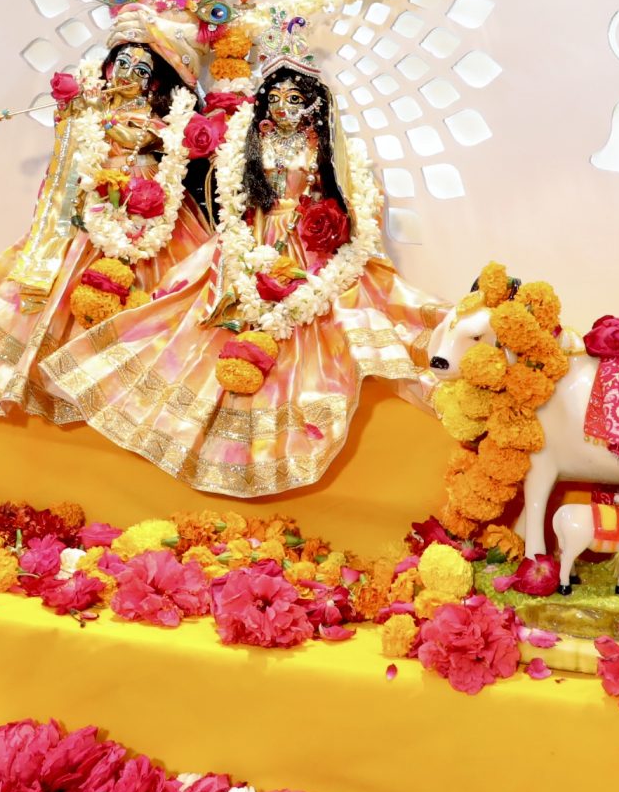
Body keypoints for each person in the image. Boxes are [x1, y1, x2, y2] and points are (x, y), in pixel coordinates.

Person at [40, 47, 442, 495]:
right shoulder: (255, 141)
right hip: (250, 238)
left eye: (295, 100)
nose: (283, 108)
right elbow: (243, 203)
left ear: (313, 104)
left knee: (322, 318)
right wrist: (245, 245)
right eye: (276, 99)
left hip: (307, 243)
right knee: (200, 316)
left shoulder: (323, 148)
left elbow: (345, 200)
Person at [0, 0, 217, 420]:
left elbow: (158, 141)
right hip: (93, 201)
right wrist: (76, 113)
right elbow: (77, 146)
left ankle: (123, 377)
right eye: (122, 64)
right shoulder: (97, 108)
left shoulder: (158, 119)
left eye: (141, 71)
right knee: (69, 278)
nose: (127, 76)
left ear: (156, 84)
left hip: (149, 204)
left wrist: (132, 130)